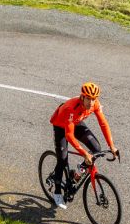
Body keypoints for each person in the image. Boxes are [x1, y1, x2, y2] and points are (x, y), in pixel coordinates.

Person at [48, 81, 119, 209]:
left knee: (96, 149)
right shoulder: (71, 108)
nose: (91, 103)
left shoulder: (95, 104)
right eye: (88, 99)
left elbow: (103, 124)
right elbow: (69, 135)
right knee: (62, 160)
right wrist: (85, 153)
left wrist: (112, 146)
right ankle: (57, 192)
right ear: (82, 97)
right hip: (61, 125)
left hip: (76, 122)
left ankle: (78, 172)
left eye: (93, 99)